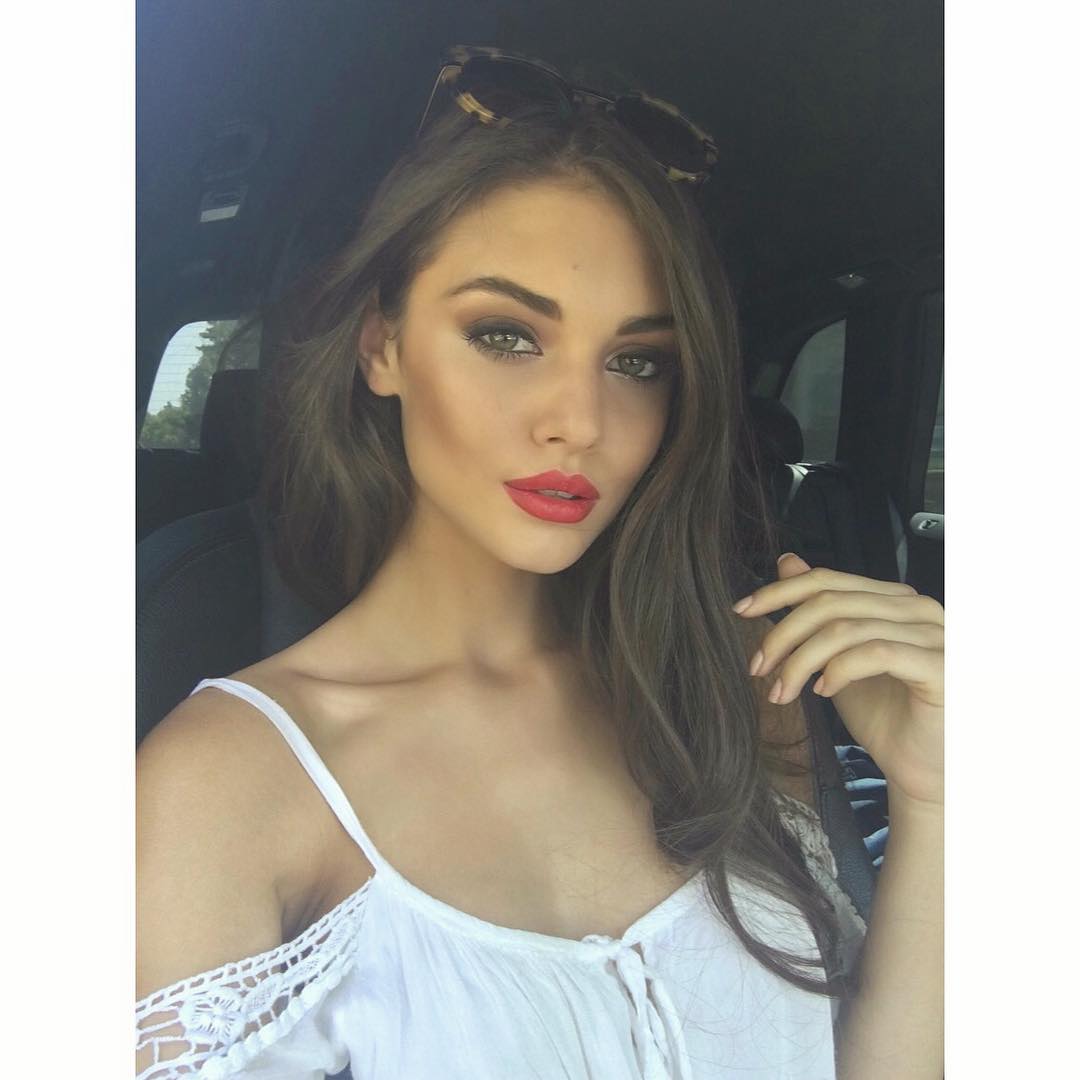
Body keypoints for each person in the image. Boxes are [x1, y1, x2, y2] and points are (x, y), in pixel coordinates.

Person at [135, 46, 943, 1079]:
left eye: (637, 361)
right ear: (382, 346)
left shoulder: (728, 688)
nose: (581, 421)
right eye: (506, 336)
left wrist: (937, 797)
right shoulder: (221, 785)